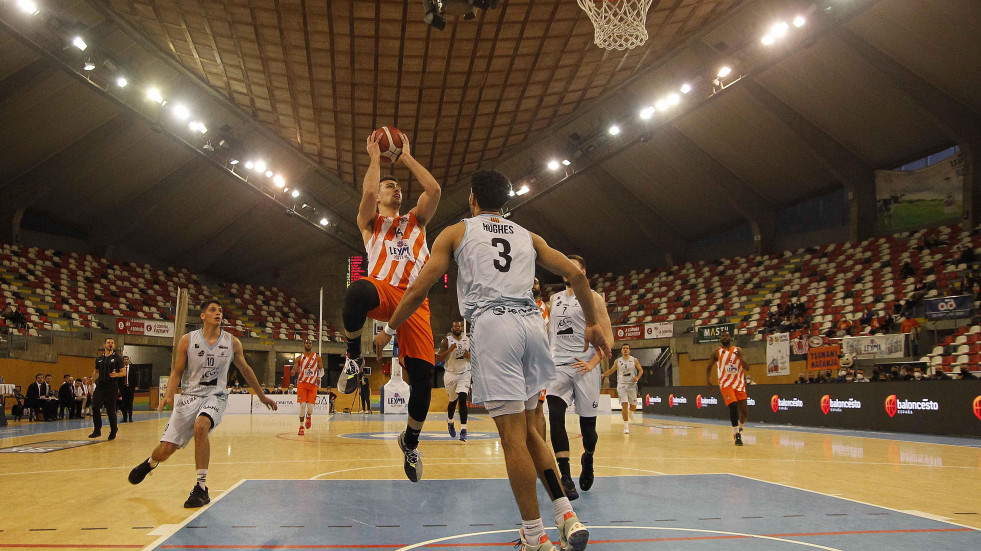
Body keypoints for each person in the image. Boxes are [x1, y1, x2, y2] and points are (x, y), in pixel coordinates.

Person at [373, 169, 610, 551]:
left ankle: (534, 537)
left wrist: (389, 329)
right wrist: (594, 324)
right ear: (506, 200)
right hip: (532, 326)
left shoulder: (456, 232)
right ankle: (566, 514)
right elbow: (575, 275)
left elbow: (419, 287)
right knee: (534, 430)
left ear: (472, 199)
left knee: (512, 438)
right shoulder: (528, 236)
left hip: (494, 325)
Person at [341, 130, 442, 482]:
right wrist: (375, 158)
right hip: (383, 290)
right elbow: (368, 192)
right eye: (389, 186)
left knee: (424, 381)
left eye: (397, 187)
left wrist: (406, 156)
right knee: (355, 293)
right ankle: (353, 357)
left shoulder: (417, 220)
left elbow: (434, 191)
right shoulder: (371, 224)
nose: (394, 189)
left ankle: (410, 442)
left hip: (415, 301)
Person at [128, 299, 277, 507]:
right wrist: (169, 395)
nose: (218, 313)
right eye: (213, 310)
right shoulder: (187, 341)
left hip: (215, 396)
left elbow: (245, 370)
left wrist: (262, 396)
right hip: (189, 397)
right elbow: (177, 371)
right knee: (166, 450)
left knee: (201, 426)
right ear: (203, 316)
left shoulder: (232, 342)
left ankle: (201, 488)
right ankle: (150, 463)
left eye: (221, 310)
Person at [544, 254, 613, 502]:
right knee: (555, 416)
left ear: (584, 272)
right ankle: (565, 476)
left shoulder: (594, 298)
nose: (570, 270)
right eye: (566, 266)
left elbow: (609, 339)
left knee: (589, 430)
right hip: (558, 366)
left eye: (575, 266)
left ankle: (589, 457)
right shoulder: (555, 299)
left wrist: (593, 362)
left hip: (585, 366)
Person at [705, 331, 750, 446]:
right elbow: (709, 367)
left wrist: (740, 357)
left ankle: (739, 428)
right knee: (733, 405)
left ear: (730, 337)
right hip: (726, 384)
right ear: (720, 339)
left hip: (739, 384)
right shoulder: (717, 353)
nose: (725, 337)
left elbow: (747, 367)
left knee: (744, 413)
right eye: (723, 336)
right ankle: (737, 435)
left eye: (727, 335)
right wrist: (708, 381)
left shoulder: (738, 350)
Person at [436, 321, 471, 441]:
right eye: (455, 326)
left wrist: (469, 356)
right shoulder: (446, 341)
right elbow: (439, 358)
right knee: (452, 401)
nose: (458, 327)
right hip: (450, 374)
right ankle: (450, 422)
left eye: (459, 326)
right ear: (452, 328)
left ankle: (463, 430)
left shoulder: (468, 340)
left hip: (465, 373)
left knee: (462, 399)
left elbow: (474, 357)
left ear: (462, 328)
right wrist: (449, 350)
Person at [602, 344, 643, 433]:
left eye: (627, 348)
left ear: (629, 350)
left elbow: (641, 370)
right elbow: (612, 370)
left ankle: (631, 411)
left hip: (632, 385)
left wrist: (637, 378)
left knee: (633, 407)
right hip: (621, 385)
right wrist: (604, 374)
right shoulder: (618, 361)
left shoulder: (634, 360)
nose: (625, 350)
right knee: (624, 405)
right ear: (621, 350)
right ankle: (626, 426)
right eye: (624, 348)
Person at [90, 338, 125, 439]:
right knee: (95, 406)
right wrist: (91, 380)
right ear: (104, 345)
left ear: (114, 346)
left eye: (112, 343)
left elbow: (123, 372)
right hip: (100, 386)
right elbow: (96, 372)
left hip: (112, 386)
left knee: (110, 410)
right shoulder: (99, 359)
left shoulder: (118, 358)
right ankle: (97, 430)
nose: (110, 344)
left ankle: (113, 430)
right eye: (108, 343)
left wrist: (116, 374)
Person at [292, 338, 324, 435]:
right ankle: (301, 426)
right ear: (304, 345)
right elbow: (294, 367)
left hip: (313, 385)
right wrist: (293, 371)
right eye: (307, 343)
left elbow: (322, 371)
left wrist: (319, 376)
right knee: (302, 406)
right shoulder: (299, 358)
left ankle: (309, 416)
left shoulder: (317, 357)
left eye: (310, 343)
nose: (308, 345)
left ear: (312, 345)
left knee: (310, 407)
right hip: (302, 383)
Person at [119, 356, 135, 423]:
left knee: (130, 403)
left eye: (127, 359)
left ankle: (130, 418)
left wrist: (135, 386)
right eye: (124, 359)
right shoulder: (121, 369)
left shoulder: (132, 368)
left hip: (130, 388)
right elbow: (119, 379)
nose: (126, 360)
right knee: (124, 404)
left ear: (129, 360)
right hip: (123, 388)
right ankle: (124, 418)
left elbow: (135, 377)